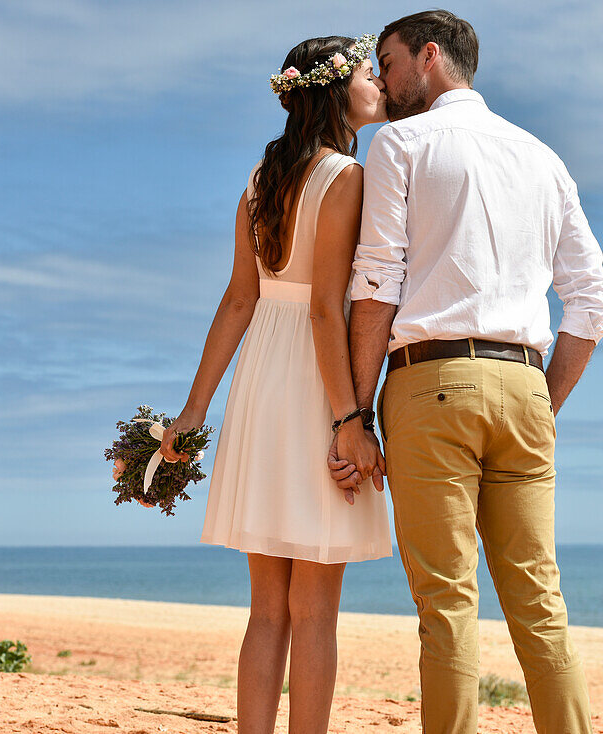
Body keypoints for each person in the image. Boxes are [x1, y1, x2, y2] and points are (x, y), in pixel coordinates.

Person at [330, 10, 603, 734]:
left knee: (447, 604)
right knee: (540, 604)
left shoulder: (403, 142)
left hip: (432, 382)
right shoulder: (543, 157)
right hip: (524, 385)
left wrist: (356, 414)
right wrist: (543, 402)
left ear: (430, 57)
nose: (385, 83)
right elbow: (592, 299)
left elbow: (376, 284)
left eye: (389, 64)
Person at [154, 34, 392, 734]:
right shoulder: (345, 176)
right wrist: (351, 416)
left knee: (267, 608)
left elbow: (238, 300)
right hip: (318, 379)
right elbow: (326, 307)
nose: (378, 80)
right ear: (333, 89)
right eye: (364, 72)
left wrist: (194, 412)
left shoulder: (262, 178)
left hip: (262, 379)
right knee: (314, 608)